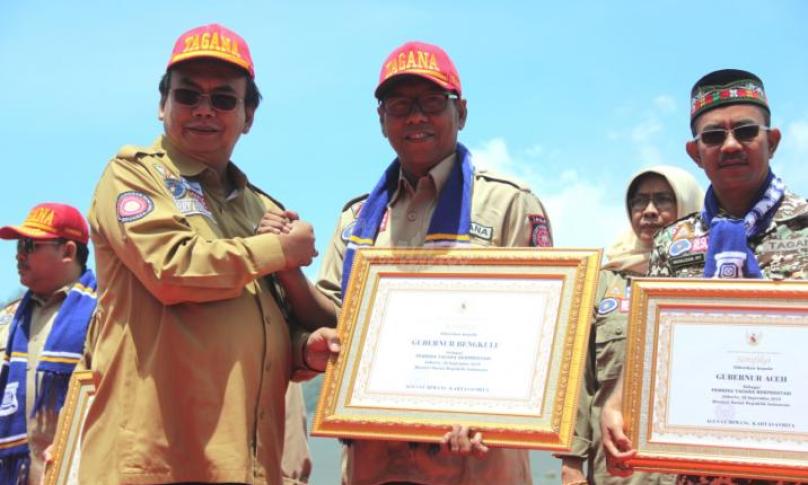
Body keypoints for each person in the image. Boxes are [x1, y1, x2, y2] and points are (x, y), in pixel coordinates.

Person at [78, 24, 338, 484]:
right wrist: (279, 249)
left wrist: (306, 352)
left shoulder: (263, 207)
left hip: (248, 465)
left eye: (223, 99)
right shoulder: (133, 177)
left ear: (248, 115)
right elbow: (172, 269)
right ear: (162, 106)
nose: (203, 110)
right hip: (155, 466)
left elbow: (265, 324)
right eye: (187, 95)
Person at [315, 40, 554, 485]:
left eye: (431, 103)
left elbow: (542, 330)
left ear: (460, 112)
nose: (416, 117)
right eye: (400, 105)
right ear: (382, 119)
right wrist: (285, 267)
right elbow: (331, 311)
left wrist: (492, 407)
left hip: (476, 460)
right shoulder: (355, 219)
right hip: (376, 459)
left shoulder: (508, 204)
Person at [600, 69, 808, 485]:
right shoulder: (670, 242)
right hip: (698, 466)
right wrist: (615, 404)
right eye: (714, 137)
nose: (730, 145)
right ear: (695, 153)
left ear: (773, 140)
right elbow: (647, 341)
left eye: (746, 131)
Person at [557, 166, 703, 485]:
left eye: (663, 200)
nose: (649, 211)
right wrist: (571, 466)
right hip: (617, 470)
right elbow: (581, 381)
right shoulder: (604, 282)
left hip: (691, 470)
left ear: (688, 205)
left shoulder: (715, 278)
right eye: (639, 202)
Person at [0, 203, 96, 484]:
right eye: (19, 245)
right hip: (16, 471)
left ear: (68, 251)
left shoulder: (106, 311)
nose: (19, 255)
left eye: (30, 245)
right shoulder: (8, 319)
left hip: (78, 468)